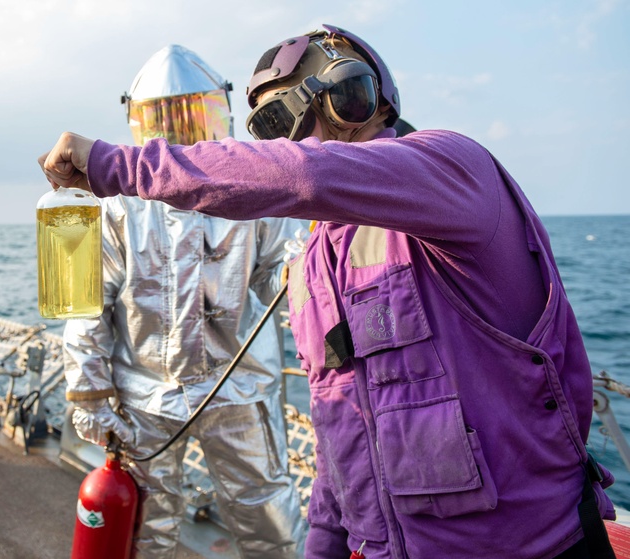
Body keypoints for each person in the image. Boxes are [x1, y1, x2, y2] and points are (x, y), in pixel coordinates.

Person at [39, 25, 617, 559]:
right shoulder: (316, 258)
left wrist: (113, 165)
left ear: (351, 98)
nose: (280, 143)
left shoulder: (453, 168)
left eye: (286, 119)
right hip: (385, 543)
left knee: (263, 514)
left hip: (528, 546)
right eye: (265, 131)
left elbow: (304, 176)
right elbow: (341, 429)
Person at [62, 45, 304, 558]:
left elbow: (296, 278)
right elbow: (86, 305)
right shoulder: (111, 202)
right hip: (144, 398)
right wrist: (88, 394)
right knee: (145, 530)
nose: (181, 136)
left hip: (240, 393)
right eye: (164, 120)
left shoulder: (258, 187)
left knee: (271, 523)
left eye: (193, 116)